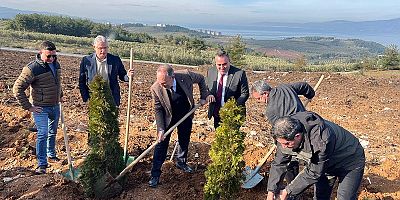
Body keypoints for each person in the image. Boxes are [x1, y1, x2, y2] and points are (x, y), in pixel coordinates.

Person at [267, 111, 365, 200]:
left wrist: (287, 191)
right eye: (281, 143)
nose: (284, 147)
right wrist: (271, 191)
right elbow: (279, 163)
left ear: (297, 136)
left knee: (345, 197)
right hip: (325, 164)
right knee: (320, 196)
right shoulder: (285, 133)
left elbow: (314, 172)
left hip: (350, 160)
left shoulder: (321, 140)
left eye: (287, 144)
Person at [149, 64, 209, 188]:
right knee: (161, 145)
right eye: (159, 82)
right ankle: (155, 174)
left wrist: (204, 96)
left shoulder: (186, 75)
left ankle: (181, 162)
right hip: (168, 117)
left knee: (184, 139)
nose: (161, 85)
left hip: (186, 114)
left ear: (172, 77)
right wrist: (160, 128)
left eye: (164, 83)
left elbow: (202, 79)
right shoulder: (155, 88)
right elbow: (158, 109)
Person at [251, 80, 315, 186]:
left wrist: (278, 145)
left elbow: (278, 132)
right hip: (308, 127)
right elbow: (304, 85)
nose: (259, 102)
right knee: (312, 158)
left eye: (258, 99)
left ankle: (293, 188)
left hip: (293, 136)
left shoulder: (271, 111)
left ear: (265, 94)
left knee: (288, 159)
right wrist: (310, 94)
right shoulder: (286, 87)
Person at [13, 41, 63, 174]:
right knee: (43, 133)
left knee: (53, 132)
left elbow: (57, 82)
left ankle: (51, 155)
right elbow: (17, 88)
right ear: (40, 53)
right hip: (40, 108)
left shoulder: (56, 64)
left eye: (54, 56)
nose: (51, 59)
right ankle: (42, 164)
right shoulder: (32, 68)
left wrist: (60, 95)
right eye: (48, 56)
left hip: (55, 106)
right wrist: (29, 107)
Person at [78, 35, 134, 107]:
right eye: (100, 48)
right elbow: (82, 82)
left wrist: (128, 76)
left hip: (112, 98)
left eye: (105, 48)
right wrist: (86, 98)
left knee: (112, 118)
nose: (103, 51)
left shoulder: (115, 60)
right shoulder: (86, 61)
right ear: (94, 47)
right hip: (94, 99)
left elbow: (123, 76)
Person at [206, 49, 249, 128]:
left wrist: (232, 106)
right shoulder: (211, 71)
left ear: (229, 61)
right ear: (215, 63)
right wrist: (209, 95)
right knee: (219, 135)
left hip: (233, 114)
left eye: (224, 64)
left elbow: (245, 94)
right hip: (216, 112)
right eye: (219, 65)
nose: (222, 67)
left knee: (231, 138)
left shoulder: (239, 74)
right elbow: (206, 88)